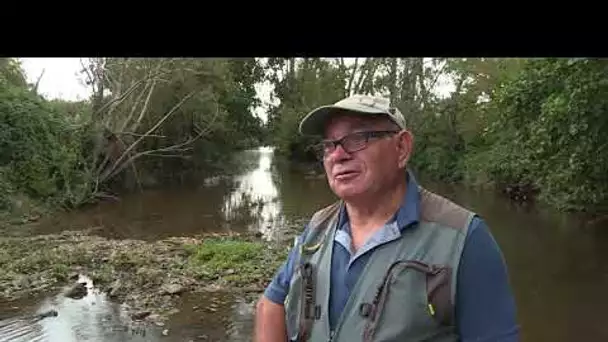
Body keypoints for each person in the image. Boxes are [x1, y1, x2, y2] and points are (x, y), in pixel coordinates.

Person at [254, 94, 520, 342]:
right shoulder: (318, 227)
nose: (338, 155)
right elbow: (271, 302)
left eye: (357, 138)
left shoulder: (464, 239)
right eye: (329, 145)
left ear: (402, 148)